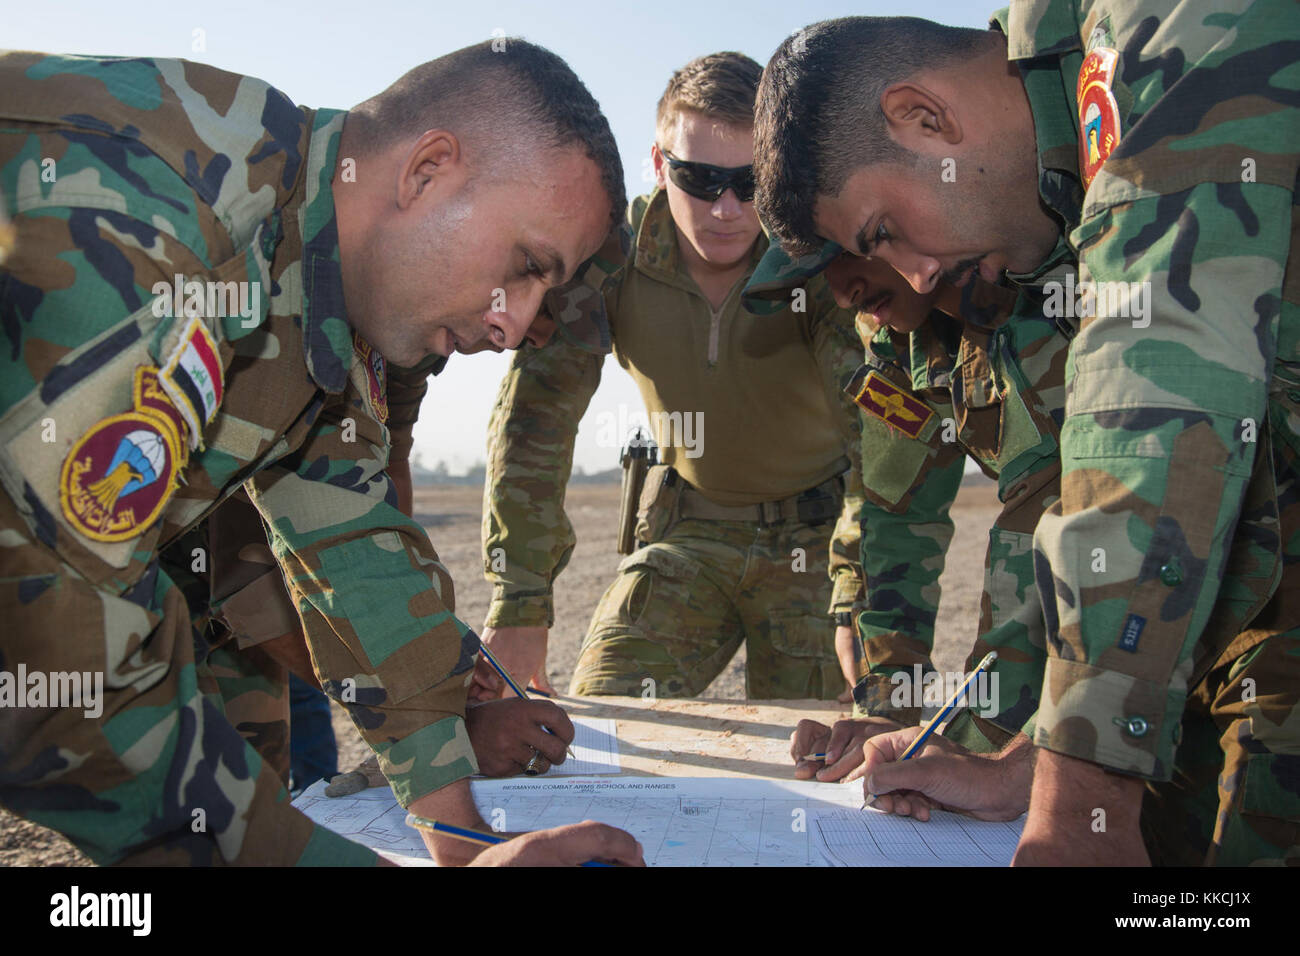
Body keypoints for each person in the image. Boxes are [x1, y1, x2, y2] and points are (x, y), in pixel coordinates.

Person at [0, 41, 643, 867]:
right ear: (426, 171)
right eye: (523, 269)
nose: (512, 325)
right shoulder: (163, 216)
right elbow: (62, 668)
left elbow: (355, 553)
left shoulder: (317, 292)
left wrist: (461, 839)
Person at [753, 6, 1299, 865]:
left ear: (923, 119)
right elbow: (1048, 503)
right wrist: (1027, 757)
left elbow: (1156, 394)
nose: (918, 280)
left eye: (885, 236)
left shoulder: (1156, 31)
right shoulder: (1038, 208)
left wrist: (1081, 793)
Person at [471, 52, 865, 704]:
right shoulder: (611, 257)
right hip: (688, 535)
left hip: (816, 547)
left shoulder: (814, 261)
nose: (728, 207)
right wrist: (519, 604)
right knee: (605, 727)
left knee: (822, 759)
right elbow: (537, 417)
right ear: (659, 165)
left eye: (751, 181)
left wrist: (859, 594)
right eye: (701, 179)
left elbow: (877, 440)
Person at [745, 248, 1066, 785]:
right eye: (823, 275)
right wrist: (886, 708)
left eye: (847, 249)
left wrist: (990, 748)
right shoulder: (891, 337)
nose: (844, 290)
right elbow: (897, 520)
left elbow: (1056, 515)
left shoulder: (1044, 274)